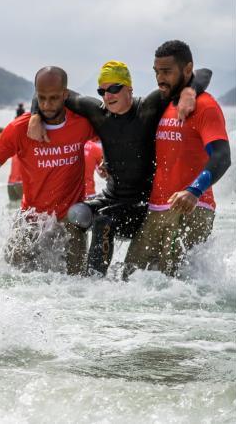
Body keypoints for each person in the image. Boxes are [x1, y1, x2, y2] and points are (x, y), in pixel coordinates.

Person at [27, 60, 211, 275]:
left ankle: (95, 281)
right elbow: (49, 90)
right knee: (75, 214)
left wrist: (189, 91)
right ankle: (73, 275)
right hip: (112, 198)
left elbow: (204, 73)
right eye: (102, 90)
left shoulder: (148, 107)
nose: (108, 95)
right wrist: (35, 115)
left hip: (144, 203)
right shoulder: (98, 112)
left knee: (104, 220)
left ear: (129, 89)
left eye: (115, 88)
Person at [0, 67, 94, 275]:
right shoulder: (20, 129)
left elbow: (114, 138)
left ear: (65, 94)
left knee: (77, 286)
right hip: (31, 221)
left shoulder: (82, 123)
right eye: (41, 98)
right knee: (10, 279)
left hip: (70, 223)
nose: (46, 105)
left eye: (54, 98)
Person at [124, 40, 231, 277]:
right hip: (156, 208)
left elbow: (222, 156)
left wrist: (194, 191)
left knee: (174, 287)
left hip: (190, 207)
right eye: (156, 72)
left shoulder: (205, 107)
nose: (160, 78)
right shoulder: (165, 102)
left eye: (167, 72)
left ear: (187, 69)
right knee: (128, 278)